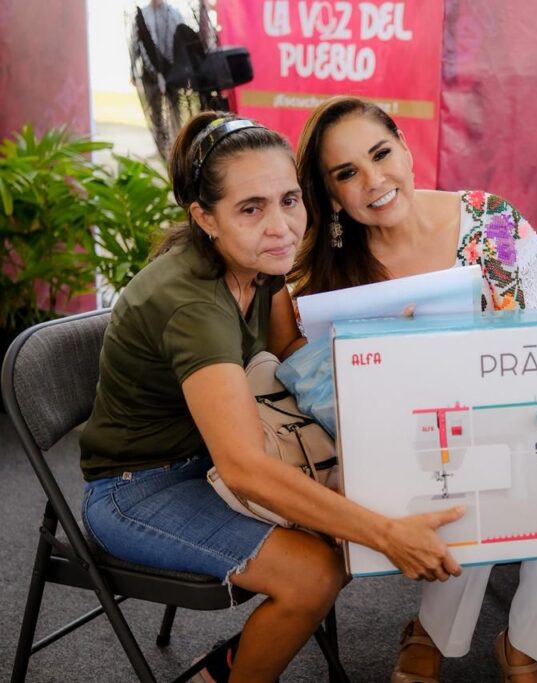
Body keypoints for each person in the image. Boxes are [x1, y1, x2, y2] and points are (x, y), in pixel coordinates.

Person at [79, 111, 463, 683]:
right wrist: (385, 533)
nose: (281, 227)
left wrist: (384, 347)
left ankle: (229, 667)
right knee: (316, 573)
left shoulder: (259, 264)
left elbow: (290, 352)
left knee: (352, 521)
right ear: (204, 217)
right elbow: (244, 469)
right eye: (251, 208)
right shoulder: (193, 304)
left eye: (289, 200)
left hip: (207, 456)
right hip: (138, 489)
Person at [286, 96, 537, 683]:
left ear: (404, 147)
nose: (374, 180)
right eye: (347, 173)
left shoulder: (490, 221)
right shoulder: (333, 266)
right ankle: (432, 632)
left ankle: (525, 645)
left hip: (506, 406)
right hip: (404, 441)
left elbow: (532, 340)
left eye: (381, 154)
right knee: (470, 461)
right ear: (332, 195)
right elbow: (308, 375)